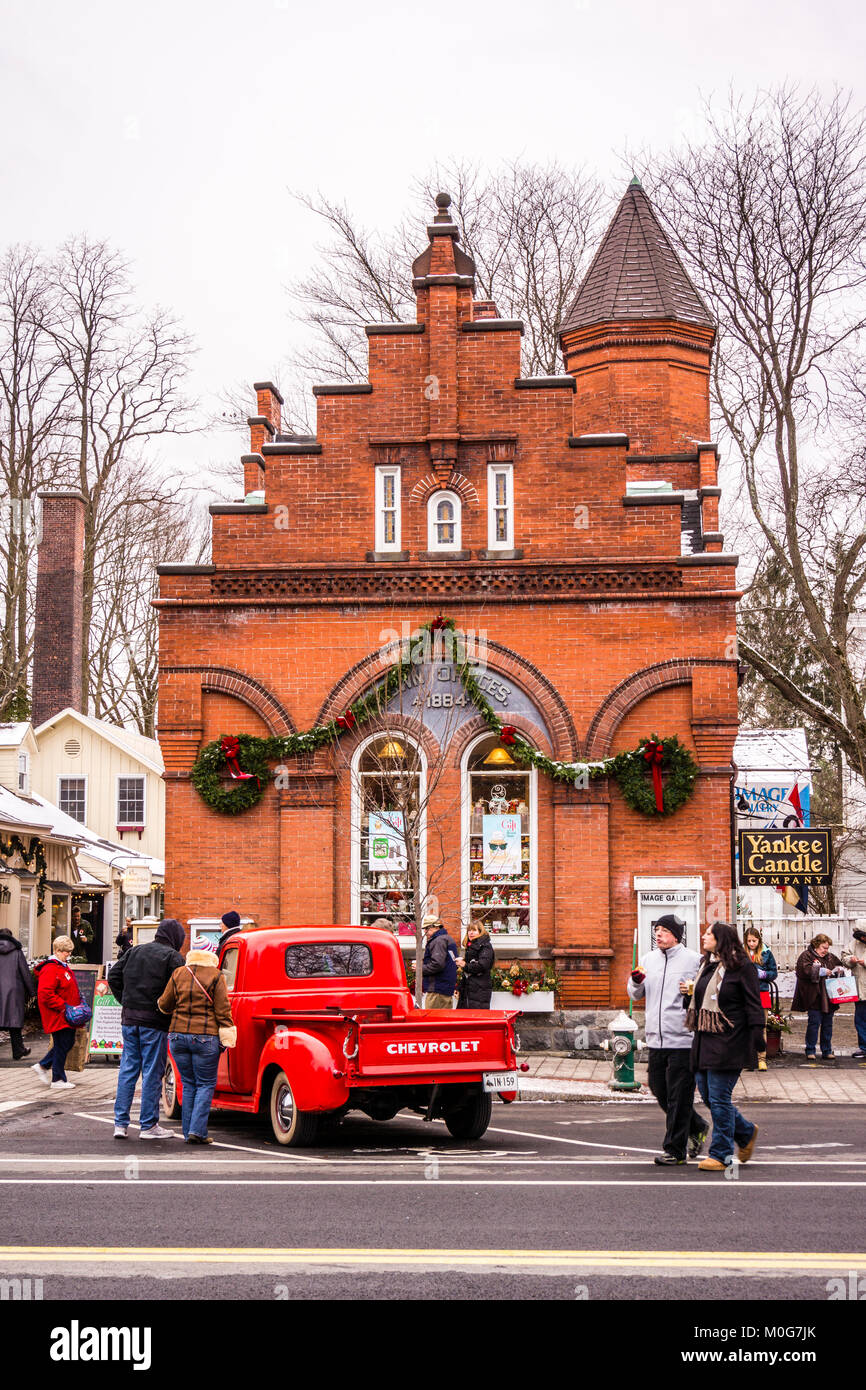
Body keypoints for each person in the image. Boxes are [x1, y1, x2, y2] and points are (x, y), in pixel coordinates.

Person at [682, 921, 765, 1172]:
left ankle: (721, 1155)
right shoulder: (706, 965)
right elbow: (700, 998)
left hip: (731, 1040)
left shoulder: (742, 967)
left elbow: (753, 1003)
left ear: (722, 939)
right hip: (705, 1039)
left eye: (709, 934)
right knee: (709, 1096)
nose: (704, 936)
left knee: (719, 1098)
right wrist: (688, 994)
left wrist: (757, 1036)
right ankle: (746, 1131)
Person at [627, 913, 706, 1166]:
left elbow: (706, 991)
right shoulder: (648, 959)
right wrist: (636, 981)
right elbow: (634, 994)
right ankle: (697, 1125)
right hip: (656, 1038)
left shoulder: (694, 960)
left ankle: (674, 1150)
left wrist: (693, 988)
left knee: (678, 1096)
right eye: (656, 930)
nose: (658, 934)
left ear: (675, 935)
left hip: (683, 1038)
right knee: (660, 1090)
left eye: (663, 930)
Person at [108, 918, 186, 1140]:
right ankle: (148, 1126)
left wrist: (125, 1000)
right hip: (155, 1021)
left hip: (129, 1019)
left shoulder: (134, 951)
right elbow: (180, 988)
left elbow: (113, 976)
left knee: (128, 1069)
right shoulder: (173, 957)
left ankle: (120, 1124)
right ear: (175, 938)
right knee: (152, 1072)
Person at [158, 936, 234, 1144]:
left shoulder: (179, 973)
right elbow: (222, 1009)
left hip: (177, 1036)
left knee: (189, 1083)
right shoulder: (216, 976)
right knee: (206, 1084)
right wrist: (228, 1033)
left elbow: (164, 1004)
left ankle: (187, 1131)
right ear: (211, 953)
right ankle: (197, 1131)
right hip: (205, 1037)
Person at [31, 935, 83, 1090]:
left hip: (65, 1013)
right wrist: (64, 1006)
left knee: (66, 1043)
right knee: (63, 1043)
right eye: (66, 951)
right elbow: (45, 994)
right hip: (58, 1013)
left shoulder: (61, 966)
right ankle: (57, 1079)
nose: (69, 954)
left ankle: (43, 1066)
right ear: (58, 951)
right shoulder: (51, 968)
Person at [792, 933, 846, 1060]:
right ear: (816, 945)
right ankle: (810, 1049)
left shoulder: (831, 957)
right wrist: (819, 971)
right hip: (814, 997)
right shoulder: (806, 956)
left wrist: (839, 971)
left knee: (828, 1024)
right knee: (814, 1023)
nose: (825, 951)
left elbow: (840, 967)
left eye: (827, 948)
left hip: (829, 996)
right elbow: (802, 971)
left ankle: (827, 1050)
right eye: (823, 948)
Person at [743, 926, 778, 1072]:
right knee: (744, 1027)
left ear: (759, 940)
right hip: (744, 993)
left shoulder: (766, 952)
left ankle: (761, 1059)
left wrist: (763, 975)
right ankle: (747, 1059)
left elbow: (773, 972)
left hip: (761, 992)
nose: (751, 943)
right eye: (749, 941)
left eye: (754, 941)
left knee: (761, 1026)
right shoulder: (740, 953)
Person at [0, 926, 36, 1059]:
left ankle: (19, 1050)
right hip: (14, 992)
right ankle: (18, 1050)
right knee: (14, 1023)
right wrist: (32, 992)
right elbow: (25, 973)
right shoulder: (16, 951)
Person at [421, 914, 458, 1009]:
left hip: (437, 989)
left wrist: (420, 969)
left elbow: (437, 964)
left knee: (432, 1020)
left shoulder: (438, 941)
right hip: (446, 988)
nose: (425, 932)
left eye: (426, 928)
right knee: (444, 1020)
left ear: (435, 927)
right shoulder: (447, 938)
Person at [841, 927, 866, 1060]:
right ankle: (864, 1047)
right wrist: (850, 960)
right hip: (860, 990)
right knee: (860, 1020)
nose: (863, 939)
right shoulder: (854, 944)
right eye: (861, 937)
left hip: (862, 987)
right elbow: (844, 956)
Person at [456, 924, 494, 1009]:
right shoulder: (471, 946)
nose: (471, 933)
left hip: (479, 991)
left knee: (476, 1019)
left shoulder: (485, 946)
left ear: (480, 932)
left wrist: (464, 964)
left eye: (474, 930)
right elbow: (468, 972)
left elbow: (482, 966)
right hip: (470, 990)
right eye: (469, 930)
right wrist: (459, 987)